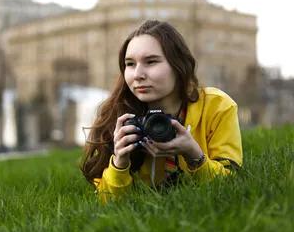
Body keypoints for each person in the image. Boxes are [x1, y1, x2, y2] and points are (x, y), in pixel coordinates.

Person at [79, 19, 243, 204]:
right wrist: (120, 162)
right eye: (130, 64)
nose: (137, 74)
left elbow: (232, 186)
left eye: (151, 62)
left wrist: (193, 155)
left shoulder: (216, 106)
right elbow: (108, 204)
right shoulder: (117, 116)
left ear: (178, 65)